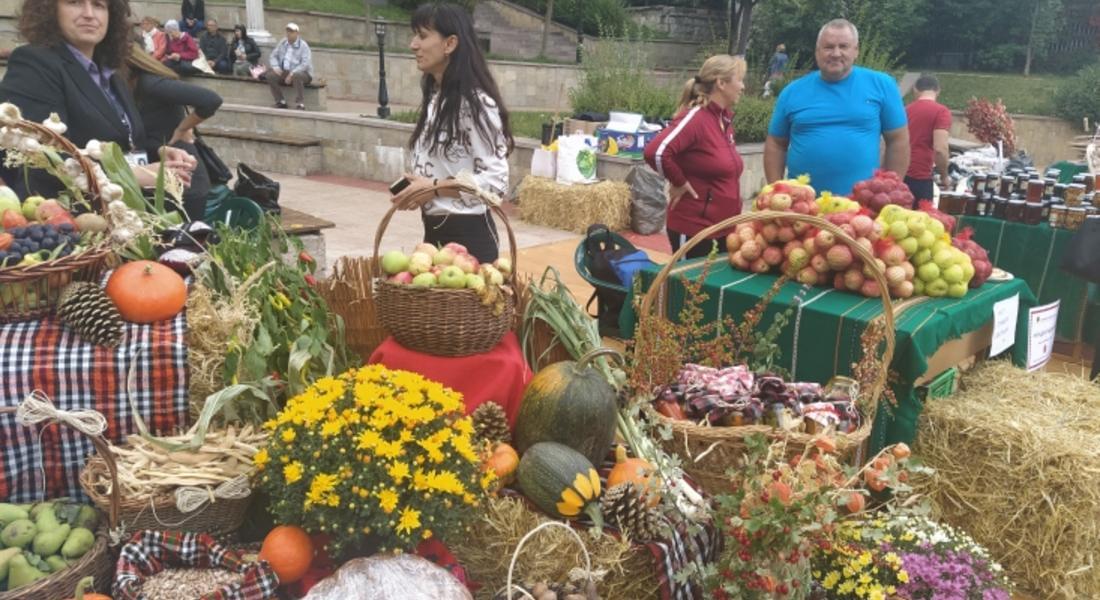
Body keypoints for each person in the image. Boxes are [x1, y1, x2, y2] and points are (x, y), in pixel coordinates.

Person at [0, 0, 194, 199]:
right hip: (66, 219)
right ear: (49, 10)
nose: (89, 14)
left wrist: (158, 154)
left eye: (99, 5)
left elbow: (122, 144)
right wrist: (135, 175)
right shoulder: (34, 62)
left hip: (122, 216)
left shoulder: (111, 72)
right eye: (74, 2)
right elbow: (42, 159)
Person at [390, 3, 513, 264]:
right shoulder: (438, 99)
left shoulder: (476, 105)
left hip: (469, 240)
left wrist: (434, 189)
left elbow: (496, 182)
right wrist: (419, 187)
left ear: (450, 44)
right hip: (435, 235)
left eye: (422, 36)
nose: (413, 45)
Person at [764, 19, 910, 196]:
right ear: (817, 52)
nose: (836, 53)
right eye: (828, 47)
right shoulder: (792, 92)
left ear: (856, 51)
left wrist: (890, 190)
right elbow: (776, 144)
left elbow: (898, 140)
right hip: (803, 205)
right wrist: (777, 191)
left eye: (843, 46)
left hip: (862, 206)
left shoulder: (882, 85)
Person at [643, 55, 746, 260]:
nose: (743, 86)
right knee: (689, 291)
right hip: (695, 230)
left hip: (722, 229)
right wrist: (678, 181)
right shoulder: (696, 118)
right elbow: (656, 151)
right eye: (740, 79)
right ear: (721, 83)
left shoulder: (723, 120)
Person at [127, 44, 222, 220]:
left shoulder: (149, 82)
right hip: (162, 174)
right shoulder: (131, 86)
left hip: (184, 178)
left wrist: (183, 127)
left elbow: (210, 100)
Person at [904, 74, 952, 204]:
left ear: (915, 89)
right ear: (938, 90)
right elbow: (940, 149)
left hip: (900, 174)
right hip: (920, 177)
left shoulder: (905, 110)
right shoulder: (941, 112)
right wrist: (944, 176)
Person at [265, 22, 313, 109]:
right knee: (270, 75)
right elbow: (273, 56)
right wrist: (276, 67)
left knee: (297, 75)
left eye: (291, 31)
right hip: (285, 71)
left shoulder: (303, 46)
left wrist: (291, 74)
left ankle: (300, 103)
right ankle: (280, 101)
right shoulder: (283, 42)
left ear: (297, 33)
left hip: (303, 73)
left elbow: (305, 64)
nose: (288, 33)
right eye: (287, 31)